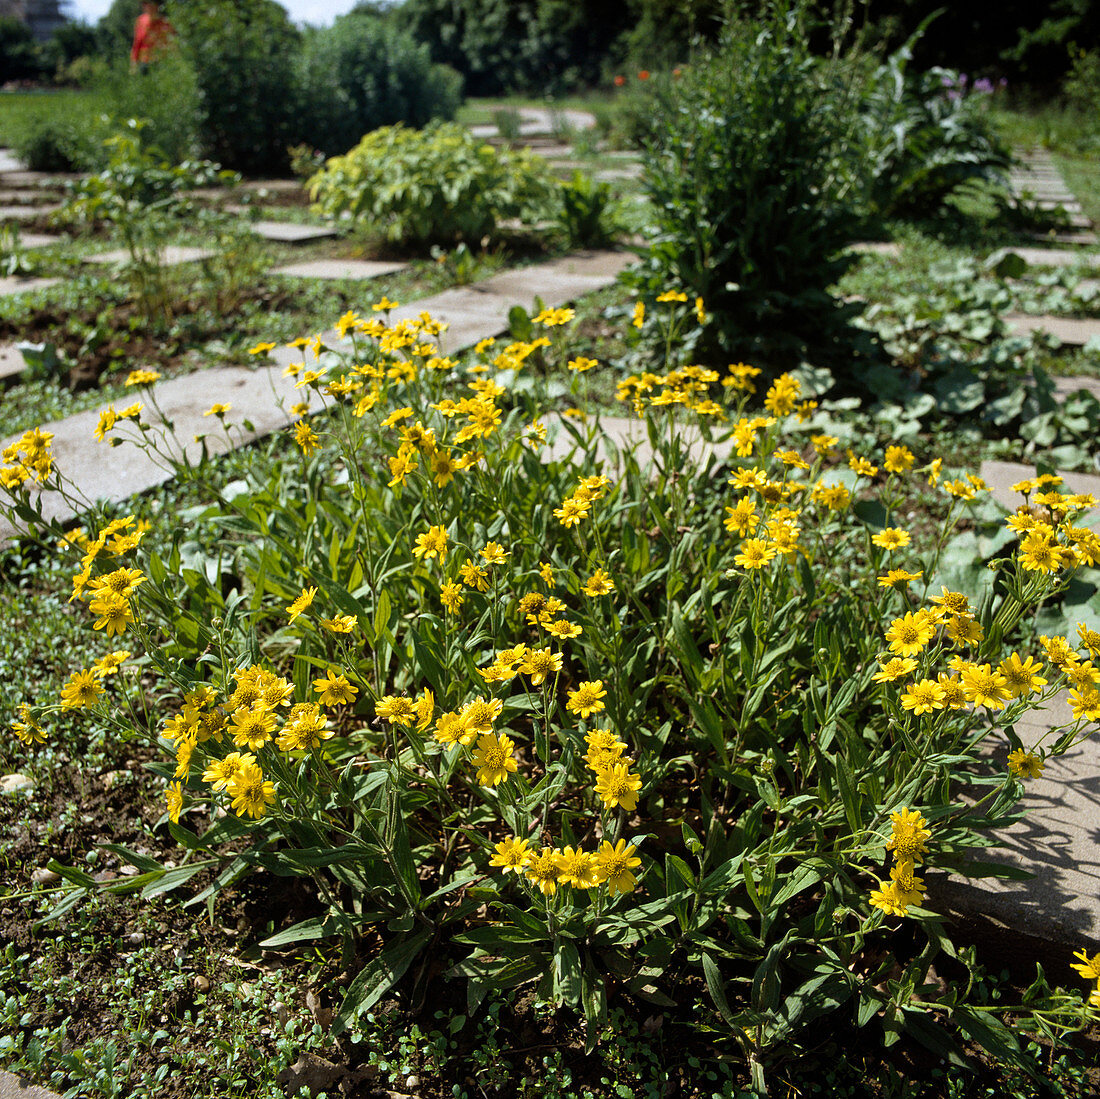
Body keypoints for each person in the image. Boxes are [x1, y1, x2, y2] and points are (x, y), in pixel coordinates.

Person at [130, 1, 175, 72]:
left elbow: (173, 43)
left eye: (149, 3)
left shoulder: (165, 23)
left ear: (157, 6)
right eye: (144, 4)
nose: (146, 7)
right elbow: (137, 43)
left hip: (163, 62)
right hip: (145, 63)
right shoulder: (140, 21)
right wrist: (134, 64)